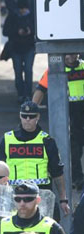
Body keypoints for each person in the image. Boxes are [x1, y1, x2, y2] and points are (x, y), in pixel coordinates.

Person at [0, 101, 70, 216]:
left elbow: (57, 173)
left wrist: (63, 199)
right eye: (24, 116)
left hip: (41, 197)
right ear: (20, 116)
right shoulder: (7, 139)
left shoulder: (47, 141)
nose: (28, 119)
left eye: (32, 116)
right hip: (15, 198)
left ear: (38, 117)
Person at [32, 53, 84, 190]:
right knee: (74, 148)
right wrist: (31, 110)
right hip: (67, 114)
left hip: (82, 112)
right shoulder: (54, 69)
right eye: (68, 54)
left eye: (73, 54)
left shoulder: (83, 66)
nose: (71, 57)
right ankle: (78, 179)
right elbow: (40, 90)